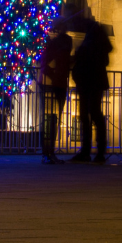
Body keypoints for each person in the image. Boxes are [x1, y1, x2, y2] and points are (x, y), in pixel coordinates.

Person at [71, 16, 112, 163]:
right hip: (88, 80)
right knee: (87, 114)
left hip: (91, 80)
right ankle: (89, 151)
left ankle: (96, 151)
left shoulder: (94, 37)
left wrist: (80, 55)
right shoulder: (93, 36)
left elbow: (92, 57)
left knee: (93, 113)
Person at [39, 21, 73, 164]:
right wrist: (55, 77)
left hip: (53, 83)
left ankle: (48, 153)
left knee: (51, 119)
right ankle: (48, 153)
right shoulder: (60, 44)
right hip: (53, 84)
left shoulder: (56, 44)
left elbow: (47, 64)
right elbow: (47, 64)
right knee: (51, 119)